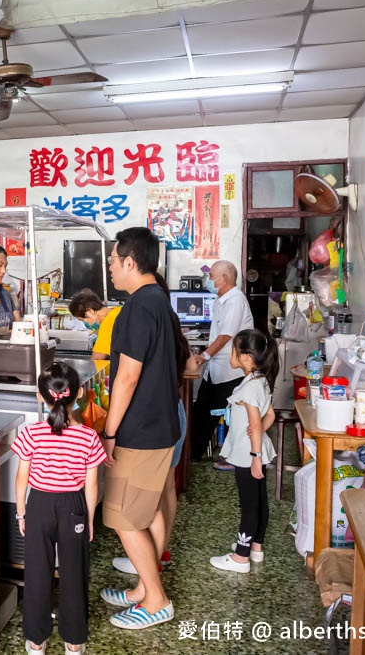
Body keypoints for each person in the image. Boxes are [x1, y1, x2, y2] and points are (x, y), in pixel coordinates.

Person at [98, 227, 178, 630]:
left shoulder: (135, 308)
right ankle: (145, 590)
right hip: (161, 424)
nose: (110, 267)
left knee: (125, 517)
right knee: (146, 511)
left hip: (140, 430)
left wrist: (109, 433)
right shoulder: (159, 301)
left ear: (130, 262)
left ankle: (156, 600)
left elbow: (126, 377)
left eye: (113, 259)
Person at [13, 362, 106, 654]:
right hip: (73, 505)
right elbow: (91, 485)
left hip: (39, 503)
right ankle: (74, 640)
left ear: (41, 397)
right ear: (77, 394)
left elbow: (21, 478)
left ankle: (36, 639)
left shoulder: (31, 433)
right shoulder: (89, 436)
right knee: (74, 571)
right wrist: (90, 518)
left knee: (38, 572)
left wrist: (20, 513)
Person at [112, 274, 199, 575]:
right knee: (164, 491)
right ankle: (156, 556)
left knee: (156, 495)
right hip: (172, 414)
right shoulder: (171, 328)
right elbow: (190, 367)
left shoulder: (146, 316)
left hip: (156, 419)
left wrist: (111, 431)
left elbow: (129, 376)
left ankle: (151, 560)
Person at [209, 329, 278, 573]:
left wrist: (255, 455)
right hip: (255, 448)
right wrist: (256, 433)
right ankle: (255, 547)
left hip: (249, 454)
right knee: (259, 501)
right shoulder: (259, 380)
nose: (232, 354)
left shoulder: (249, 388)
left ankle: (240, 557)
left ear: (246, 357)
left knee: (248, 505)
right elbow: (269, 415)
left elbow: (257, 421)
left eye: (234, 351)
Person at [190, 260, 255, 466]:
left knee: (226, 415)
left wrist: (204, 356)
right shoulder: (221, 300)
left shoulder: (235, 300)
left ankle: (229, 457)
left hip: (231, 370)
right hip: (216, 369)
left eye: (211, 278)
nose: (208, 281)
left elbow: (226, 335)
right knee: (202, 410)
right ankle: (192, 454)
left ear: (224, 279)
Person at [68, 289, 120, 360]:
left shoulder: (108, 323)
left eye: (82, 320)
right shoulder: (118, 310)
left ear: (90, 312)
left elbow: (97, 358)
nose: (85, 324)